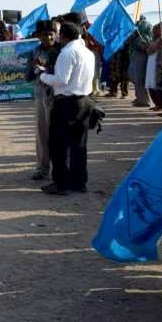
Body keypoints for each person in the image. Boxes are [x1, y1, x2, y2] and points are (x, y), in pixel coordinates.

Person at [38, 22, 96, 195]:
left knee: (59, 145)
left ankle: (61, 184)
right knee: (79, 145)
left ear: (63, 36)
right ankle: (79, 183)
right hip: (84, 101)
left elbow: (61, 80)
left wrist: (43, 75)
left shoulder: (67, 52)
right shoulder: (87, 52)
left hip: (66, 103)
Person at [28, 21, 60, 181]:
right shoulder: (34, 51)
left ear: (55, 34)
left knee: (58, 133)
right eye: (44, 35)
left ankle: (60, 169)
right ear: (38, 36)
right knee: (42, 133)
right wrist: (35, 68)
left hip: (58, 96)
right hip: (41, 95)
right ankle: (42, 168)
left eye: (50, 34)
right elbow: (27, 76)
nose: (48, 37)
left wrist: (48, 68)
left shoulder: (62, 50)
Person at [129, 16, 152, 107]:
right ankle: (139, 98)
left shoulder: (145, 37)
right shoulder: (139, 37)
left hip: (141, 58)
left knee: (140, 79)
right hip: (136, 57)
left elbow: (144, 48)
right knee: (135, 78)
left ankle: (144, 101)